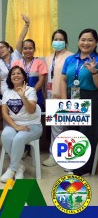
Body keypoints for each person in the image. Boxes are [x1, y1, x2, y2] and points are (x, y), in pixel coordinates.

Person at [60, 28, 98, 176]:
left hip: (90, 97)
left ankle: (84, 168)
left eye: (90, 40)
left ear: (95, 43)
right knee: (72, 131)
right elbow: (63, 79)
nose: (86, 43)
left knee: (87, 133)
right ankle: (73, 162)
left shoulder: (96, 60)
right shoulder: (70, 59)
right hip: (72, 96)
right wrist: (64, 100)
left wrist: (94, 72)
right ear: (78, 41)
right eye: (83, 39)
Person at [0, 66, 42, 182]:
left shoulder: (30, 90)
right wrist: (16, 126)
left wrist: (23, 97)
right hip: (14, 124)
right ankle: (19, 167)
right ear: (10, 77)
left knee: (18, 139)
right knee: (5, 135)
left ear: (24, 76)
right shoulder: (7, 92)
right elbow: (4, 113)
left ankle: (12, 169)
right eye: (13, 74)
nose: (16, 75)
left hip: (33, 125)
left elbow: (32, 110)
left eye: (19, 73)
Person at [43, 29, 73, 167]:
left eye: (61, 39)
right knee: (55, 127)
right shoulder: (48, 58)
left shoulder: (71, 57)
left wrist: (63, 95)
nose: (58, 42)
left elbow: (69, 78)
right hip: (49, 95)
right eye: (55, 39)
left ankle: (55, 155)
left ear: (66, 41)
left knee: (60, 127)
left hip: (63, 95)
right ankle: (60, 154)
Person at [0, 14, 29, 96]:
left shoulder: (16, 55)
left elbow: (20, 39)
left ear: (9, 48)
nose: (0, 50)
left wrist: (27, 25)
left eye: (2, 47)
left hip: (20, 92)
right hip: (5, 94)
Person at [12, 39, 47, 108]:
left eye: (30, 48)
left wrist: (31, 92)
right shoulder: (16, 63)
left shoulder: (40, 63)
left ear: (34, 49)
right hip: (18, 95)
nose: (28, 51)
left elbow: (41, 81)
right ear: (22, 50)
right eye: (25, 48)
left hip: (36, 95)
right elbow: (13, 79)